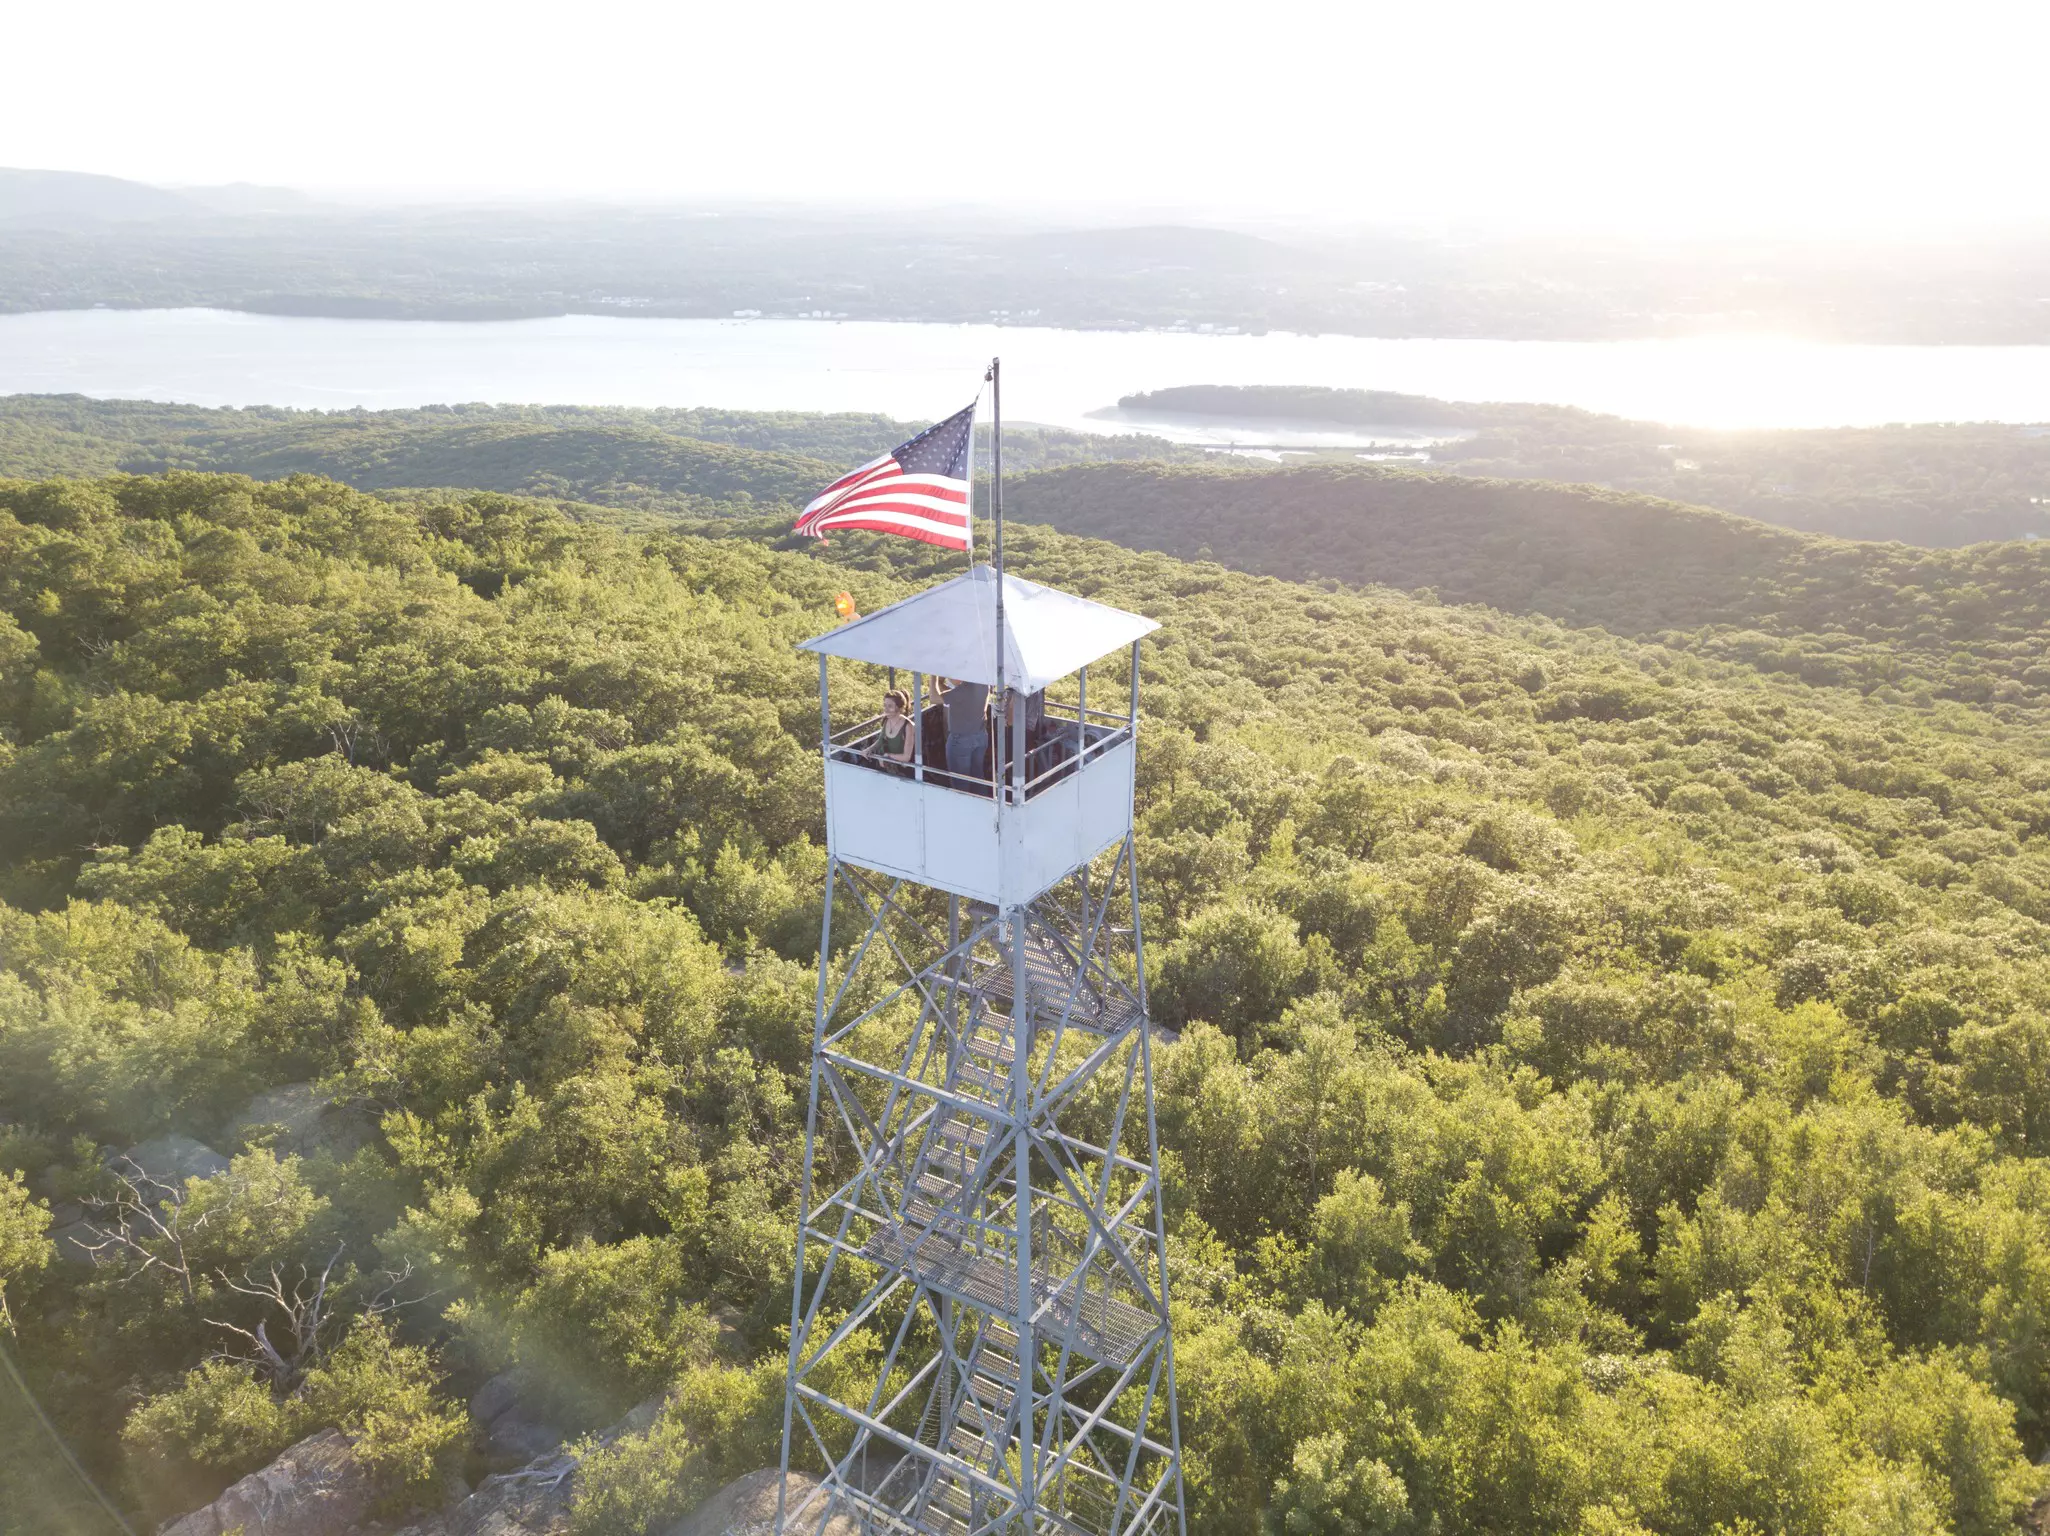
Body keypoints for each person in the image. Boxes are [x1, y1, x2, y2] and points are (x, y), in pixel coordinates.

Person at [941, 676, 990, 786]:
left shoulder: (962, 691)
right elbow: (953, 695)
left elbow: (934, 698)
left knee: (960, 781)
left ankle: (961, 801)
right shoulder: (983, 684)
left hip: (960, 741)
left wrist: (934, 679)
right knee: (977, 777)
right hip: (980, 736)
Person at [870, 688, 914, 776]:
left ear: (899, 707)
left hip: (900, 770)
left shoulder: (908, 726)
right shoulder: (887, 720)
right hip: (883, 765)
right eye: (885, 705)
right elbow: (881, 740)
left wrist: (888, 756)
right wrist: (869, 750)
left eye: (890, 706)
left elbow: (906, 757)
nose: (886, 709)